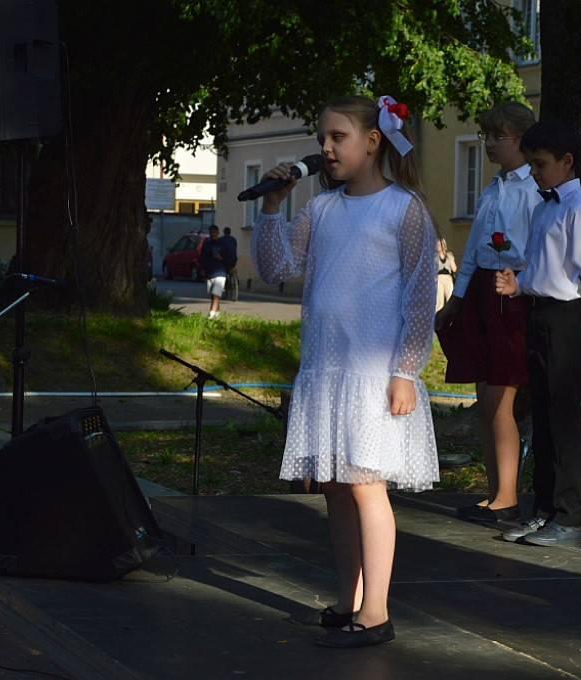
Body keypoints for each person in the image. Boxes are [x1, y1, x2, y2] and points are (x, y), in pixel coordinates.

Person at [251, 94, 439, 649]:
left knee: (365, 487)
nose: (326, 149)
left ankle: (376, 612)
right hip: (326, 369)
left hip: (372, 373)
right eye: (322, 140)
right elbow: (277, 267)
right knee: (335, 489)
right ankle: (347, 600)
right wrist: (271, 207)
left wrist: (406, 370)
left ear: (373, 141)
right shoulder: (322, 209)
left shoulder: (404, 208)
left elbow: (419, 295)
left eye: (338, 138)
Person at [493, 118, 581, 546]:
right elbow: (542, 268)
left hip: (568, 318)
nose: (536, 173)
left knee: (563, 417)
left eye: (541, 164)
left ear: (567, 161)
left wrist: (564, 300)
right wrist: (519, 285)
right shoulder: (545, 208)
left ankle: (571, 515)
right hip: (539, 313)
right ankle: (544, 510)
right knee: (540, 415)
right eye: (531, 164)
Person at [435, 101, 538, 525]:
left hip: (510, 294)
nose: (490, 144)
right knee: (485, 400)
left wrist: (520, 282)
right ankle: (495, 493)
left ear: (523, 140)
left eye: (499, 136)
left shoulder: (534, 189)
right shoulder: (494, 187)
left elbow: (538, 250)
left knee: (499, 399)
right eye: (487, 135)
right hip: (481, 292)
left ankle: (508, 497)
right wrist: (456, 298)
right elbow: (477, 245)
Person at [199, 224, 234, 318]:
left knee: (215, 294)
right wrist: (202, 268)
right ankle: (217, 315)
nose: (212, 234)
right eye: (211, 232)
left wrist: (221, 258)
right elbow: (202, 257)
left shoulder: (223, 244)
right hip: (209, 273)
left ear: (218, 233)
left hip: (220, 273)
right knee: (213, 296)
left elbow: (230, 257)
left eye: (214, 232)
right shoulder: (207, 244)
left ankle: (211, 315)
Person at [435, 238, 458, 313]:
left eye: (439, 245)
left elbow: (454, 269)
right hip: (438, 279)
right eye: (437, 245)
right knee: (439, 302)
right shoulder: (434, 256)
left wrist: (450, 258)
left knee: (450, 300)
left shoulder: (449, 254)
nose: (438, 246)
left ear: (443, 245)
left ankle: (451, 321)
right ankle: (437, 320)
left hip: (448, 278)